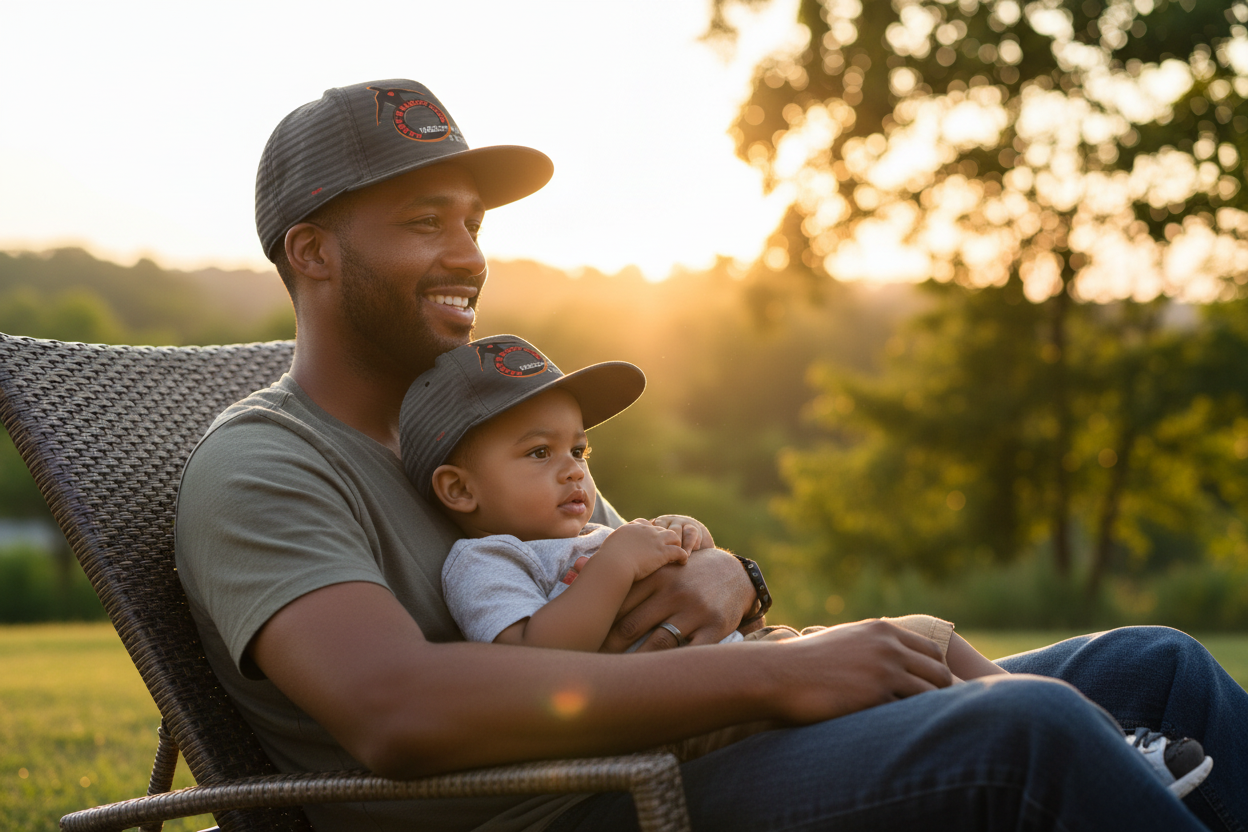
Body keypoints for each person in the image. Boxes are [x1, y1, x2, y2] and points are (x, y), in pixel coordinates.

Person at [175, 78, 1248, 832]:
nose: (468, 255)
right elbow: (395, 710)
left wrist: (733, 576)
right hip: (582, 809)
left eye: (472, 222)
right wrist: (778, 673)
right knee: (1028, 730)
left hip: (698, 745)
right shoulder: (266, 466)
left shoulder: (476, 428)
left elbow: (635, 583)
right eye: (425, 221)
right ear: (312, 252)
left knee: (1160, 668)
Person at [402, 334, 1214, 786]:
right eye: (538, 453)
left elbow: (699, 581)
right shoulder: (489, 560)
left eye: (578, 448)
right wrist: (618, 564)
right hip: (697, 724)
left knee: (919, 635)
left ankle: (1116, 748)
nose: (573, 469)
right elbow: (533, 666)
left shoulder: (586, 526)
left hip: (756, 659)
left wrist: (691, 543)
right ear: (459, 488)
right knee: (952, 699)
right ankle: (1087, 750)